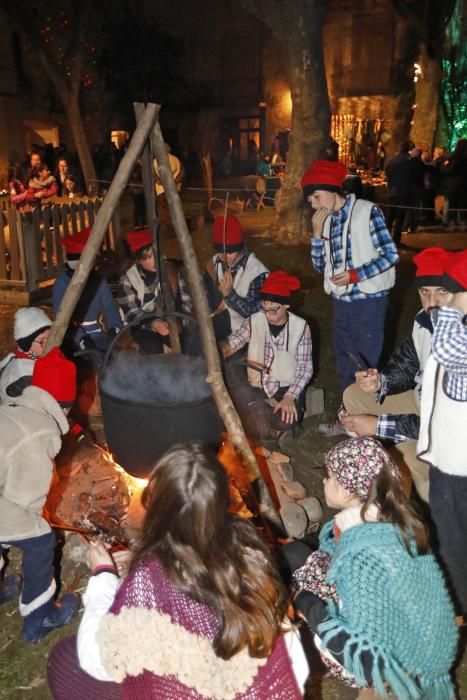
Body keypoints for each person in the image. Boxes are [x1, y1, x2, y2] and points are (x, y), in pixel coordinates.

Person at [47, 442, 308, 698]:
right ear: (223, 502)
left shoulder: (149, 582)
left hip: (186, 688)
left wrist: (104, 574)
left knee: (64, 661)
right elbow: (295, 662)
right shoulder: (253, 554)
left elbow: (99, 661)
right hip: (246, 686)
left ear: (156, 507)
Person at [282, 437, 457, 698]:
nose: (323, 482)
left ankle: (377, 688)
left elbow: (364, 657)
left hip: (380, 663)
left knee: (299, 591)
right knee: (294, 553)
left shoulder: (364, 559)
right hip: (396, 631)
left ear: (348, 490)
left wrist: (305, 602)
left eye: (329, 477)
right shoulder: (385, 517)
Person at [339, 247, 453, 502]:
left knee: (405, 459)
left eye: (441, 292)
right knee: (355, 396)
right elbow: (406, 364)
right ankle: (375, 471)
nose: (432, 302)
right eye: (425, 292)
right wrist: (380, 381)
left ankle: (422, 505)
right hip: (422, 403)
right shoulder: (425, 321)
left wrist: (378, 425)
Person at [301, 159, 398, 429]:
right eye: (310, 199)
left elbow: (390, 254)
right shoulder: (328, 221)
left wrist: (356, 274)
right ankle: (347, 416)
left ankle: (368, 421)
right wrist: (317, 236)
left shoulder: (367, 212)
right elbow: (320, 266)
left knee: (366, 363)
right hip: (341, 302)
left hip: (369, 302)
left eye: (316, 196)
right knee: (345, 360)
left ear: (333, 191)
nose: (313, 204)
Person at [0, 347, 80, 643]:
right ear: (64, 404)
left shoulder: (13, 408)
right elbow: (24, 501)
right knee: (40, 538)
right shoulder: (40, 432)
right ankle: (39, 616)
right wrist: (33, 524)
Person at [418, 249, 467, 617]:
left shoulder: (457, 336)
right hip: (448, 456)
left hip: (457, 464)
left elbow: (447, 353)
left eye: (449, 293)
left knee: (452, 540)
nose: (442, 301)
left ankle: (459, 609)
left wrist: (453, 307)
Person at [222, 270, 313, 440]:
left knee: (284, 420)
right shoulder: (255, 320)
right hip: (257, 385)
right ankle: (264, 420)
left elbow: (305, 368)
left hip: (284, 389)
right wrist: (219, 351)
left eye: (273, 310)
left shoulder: (301, 327)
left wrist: (290, 397)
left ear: (286, 305)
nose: (268, 315)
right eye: (265, 309)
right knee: (231, 404)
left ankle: (273, 423)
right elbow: (235, 341)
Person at [119, 229, 193, 355]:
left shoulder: (171, 272)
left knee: (189, 344)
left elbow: (186, 301)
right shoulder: (128, 279)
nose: (156, 260)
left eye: (157, 254)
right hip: (143, 326)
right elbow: (131, 313)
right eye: (149, 257)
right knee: (152, 348)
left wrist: (180, 322)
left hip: (172, 322)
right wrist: (153, 323)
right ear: (139, 260)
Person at [53, 228, 122, 353]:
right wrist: (81, 339)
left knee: (115, 360)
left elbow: (110, 307)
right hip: (72, 338)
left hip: (98, 335)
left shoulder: (98, 281)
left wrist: (115, 328)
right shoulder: (62, 283)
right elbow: (62, 318)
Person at [204, 215, 269, 342]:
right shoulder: (213, 265)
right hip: (217, 324)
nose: (224, 256)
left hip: (245, 335)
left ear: (239, 247)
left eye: (230, 251)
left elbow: (256, 315)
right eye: (220, 251)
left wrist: (229, 295)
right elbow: (204, 295)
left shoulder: (257, 272)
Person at [0, 307, 51, 403]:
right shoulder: (23, 370)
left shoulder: (32, 357)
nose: (48, 344)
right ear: (26, 344)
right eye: (42, 341)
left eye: (50, 338)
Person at [153, 143, 184, 235]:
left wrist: (161, 182)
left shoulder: (155, 161)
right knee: (175, 208)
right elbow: (182, 172)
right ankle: (177, 227)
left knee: (164, 210)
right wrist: (175, 181)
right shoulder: (175, 159)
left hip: (161, 190)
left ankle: (169, 228)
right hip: (174, 189)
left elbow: (154, 175)